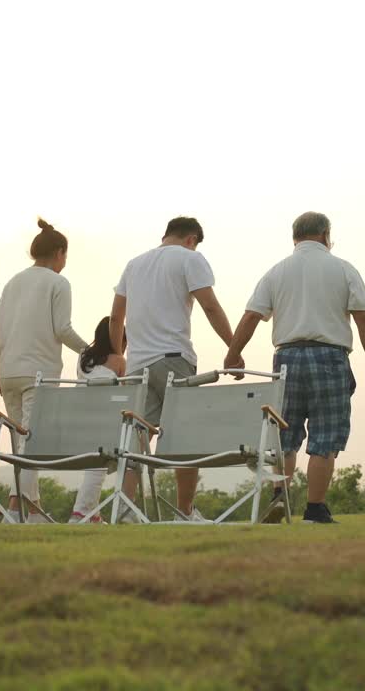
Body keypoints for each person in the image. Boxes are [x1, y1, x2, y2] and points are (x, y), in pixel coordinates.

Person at [224, 212, 365, 524]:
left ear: (294, 237)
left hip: (286, 359)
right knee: (325, 438)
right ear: (326, 234)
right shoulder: (344, 269)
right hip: (330, 357)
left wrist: (233, 354)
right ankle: (315, 508)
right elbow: (363, 317)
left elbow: (251, 316)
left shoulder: (276, 272)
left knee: (286, 436)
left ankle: (279, 497)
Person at [110, 216, 237, 521]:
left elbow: (116, 318)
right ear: (192, 238)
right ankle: (185, 511)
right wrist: (234, 348)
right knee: (186, 436)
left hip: (137, 364)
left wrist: (118, 355)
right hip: (173, 358)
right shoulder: (190, 259)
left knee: (136, 440)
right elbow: (210, 306)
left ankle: (125, 509)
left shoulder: (134, 264)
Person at [0, 219, 90, 522]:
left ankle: (31, 509)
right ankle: (16, 505)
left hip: (8, 370)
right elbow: (62, 329)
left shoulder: (12, 282)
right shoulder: (58, 283)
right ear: (60, 252)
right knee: (32, 441)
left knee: (20, 441)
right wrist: (90, 352)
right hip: (39, 372)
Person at [68, 317, 128, 524]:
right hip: (104, 425)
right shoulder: (119, 362)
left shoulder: (83, 357)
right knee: (107, 459)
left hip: (77, 422)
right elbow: (124, 395)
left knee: (99, 461)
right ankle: (81, 512)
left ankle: (92, 514)